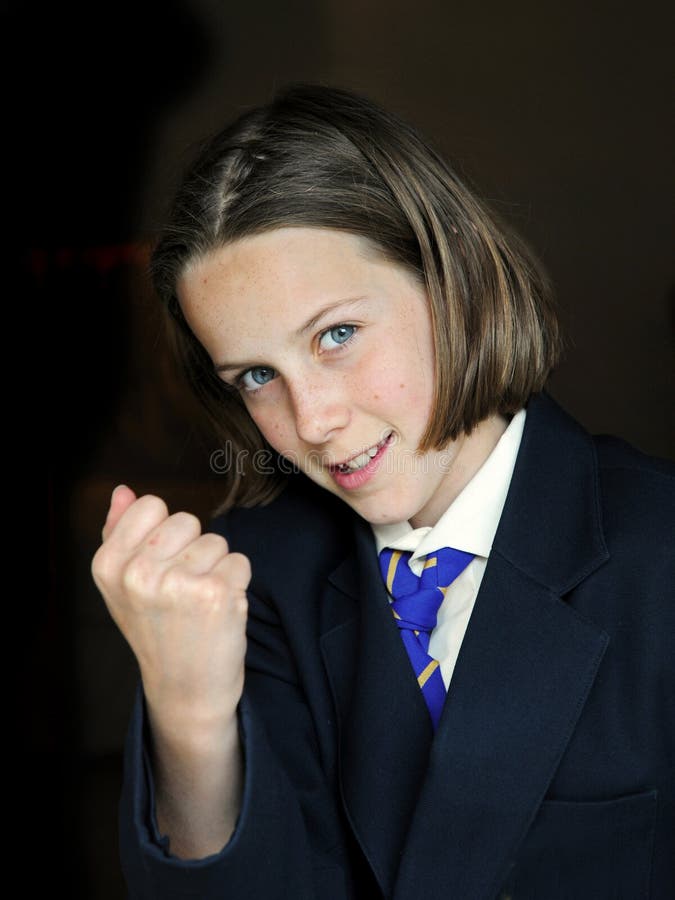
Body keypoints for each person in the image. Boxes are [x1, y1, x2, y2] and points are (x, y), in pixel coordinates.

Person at [92, 83, 674, 899]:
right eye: (258, 375)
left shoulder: (660, 555)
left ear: (452, 274)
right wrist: (189, 714)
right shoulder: (255, 577)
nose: (313, 420)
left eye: (335, 336)